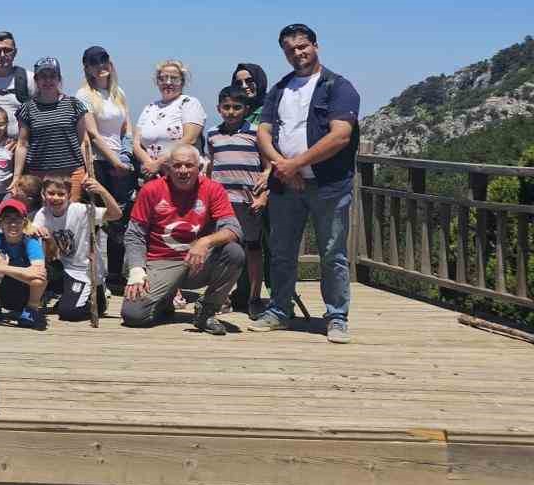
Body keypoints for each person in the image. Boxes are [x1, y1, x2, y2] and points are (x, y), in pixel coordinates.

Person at [250, 24, 361, 343]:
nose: (297, 53)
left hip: (329, 185)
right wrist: (282, 167)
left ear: (316, 46)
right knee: (282, 251)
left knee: (332, 253)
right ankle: (279, 311)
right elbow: (264, 132)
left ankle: (337, 317)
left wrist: (294, 164)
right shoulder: (280, 89)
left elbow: (340, 135)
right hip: (287, 185)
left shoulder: (338, 87)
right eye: (290, 49)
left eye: (302, 47)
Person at [122, 144, 244, 334]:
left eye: (189, 165)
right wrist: (137, 269)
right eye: (177, 166)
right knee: (134, 315)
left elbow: (234, 229)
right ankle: (164, 300)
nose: (183, 171)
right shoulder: (151, 190)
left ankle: (207, 311)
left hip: (198, 261)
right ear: (168, 168)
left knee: (234, 252)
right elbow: (134, 234)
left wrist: (205, 242)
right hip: (160, 261)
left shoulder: (213, 189)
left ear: (200, 168)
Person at [206, 87, 270, 315]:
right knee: (221, 250)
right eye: (226, 107)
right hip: (221, 202)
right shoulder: (212, 134)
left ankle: (254, 298)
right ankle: (219, 298)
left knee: (253, 249)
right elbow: (211, 166)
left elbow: (267, 165)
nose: (231, 112)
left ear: (246, 109)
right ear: (218, 109)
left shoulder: (255, 133)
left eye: (237, 107)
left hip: (248, 202)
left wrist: (263, 195)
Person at [77, 46, 136, 287]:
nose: (101, 66)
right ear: (87, 68)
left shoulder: (117, 92)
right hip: (99, 163)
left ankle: (115, 274)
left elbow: (127, 127)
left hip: (121, 160)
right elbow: (92, 134)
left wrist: (126, 155)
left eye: (104, 61)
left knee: (119, 219)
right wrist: (115, 161)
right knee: (98, 219)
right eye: (94, 63)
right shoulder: (83, 95)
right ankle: (94, 274)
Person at [34, 173, 121, 322]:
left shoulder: (80, 210)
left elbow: (115, 214)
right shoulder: (43, 213)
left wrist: (102, 191)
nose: (55, 198)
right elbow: (31, 229)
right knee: (38, 270)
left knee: (69, 313)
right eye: (51, 193)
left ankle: (99, 294)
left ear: (69, 195)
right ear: (43, 194)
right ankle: (62, 297)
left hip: (85, 270)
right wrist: (36, 231)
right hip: (64, 266)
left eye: (61, 194)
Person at [13, 58, 93, 201]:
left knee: (71, 215)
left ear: (59, 79)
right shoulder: (27, 108)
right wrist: (16, 177)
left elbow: (83, 141)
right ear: (36, 80)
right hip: (39, 175)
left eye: (52, 76)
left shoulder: (74, 105)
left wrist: (89, 171)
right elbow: (22, 144)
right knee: (42, 218)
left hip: (72, 173)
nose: (48, 81)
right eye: (43, 76)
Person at [0, 197, 48, 327]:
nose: (13, 223)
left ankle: (31, 309)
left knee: (40, 279)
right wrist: (19, 270)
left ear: (25, 222)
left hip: (24, 293)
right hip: (3, 289)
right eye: (8, 219)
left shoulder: (31, 242)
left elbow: (39, 273)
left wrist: (1, 267)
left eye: (17, 219)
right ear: (0, 223)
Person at [132, 60, 206, 184]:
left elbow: (189, 139)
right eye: (163, 78)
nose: (168, 82)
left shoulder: (189, 103)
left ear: (182, 82)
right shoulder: (150, 108)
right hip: (152, 176)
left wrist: (158, 163)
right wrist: (149, 164)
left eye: (174, 78)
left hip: (182, 177)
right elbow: (136, 142)